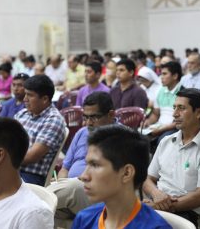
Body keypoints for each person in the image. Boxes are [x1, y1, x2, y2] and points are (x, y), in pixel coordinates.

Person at [143, 88, 200, 226]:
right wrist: (156, 194)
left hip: (184, 212)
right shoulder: (166, 141)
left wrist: (160, 206)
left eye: (181, 108)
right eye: (174, 107)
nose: (174, 114)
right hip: (155, 204)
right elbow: (148, 178)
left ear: (198, 112)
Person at [72, 125, 171, 229]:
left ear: (126, 173)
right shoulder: (83, 219)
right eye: (87, 164)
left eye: (95, 165)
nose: (84, 176)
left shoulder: (156, 227)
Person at [47, 92, 116, 225]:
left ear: (111, 115)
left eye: (94, 117)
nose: (88, 123)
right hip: (73, 195)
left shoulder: (122, 137)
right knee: (50, 212)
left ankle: (30, 202)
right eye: (85, 117)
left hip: (100, 197)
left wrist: (74, 183)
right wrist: (62, 183)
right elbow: (65, 168)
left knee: (73, 187)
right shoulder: (82, 132)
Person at [15, 74, 66, 185]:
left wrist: (2, 159)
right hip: (12, 170)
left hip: (30, 177)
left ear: (44, 99)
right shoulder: (22, 114)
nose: (25, 99)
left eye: (29, 95)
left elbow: (31, 157)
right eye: (25, 94)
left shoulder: (53, 120)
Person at [142, 61, 183, 139]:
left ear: (175, 76)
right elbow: (156, 114)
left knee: (163, 139)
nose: (161, 77)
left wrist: (161, 129)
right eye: (161, 74)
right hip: (160, 126)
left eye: (164, 74)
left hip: (176, 128)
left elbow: (180, 120)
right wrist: (148, 122)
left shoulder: (183, 93)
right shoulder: (160, 91)